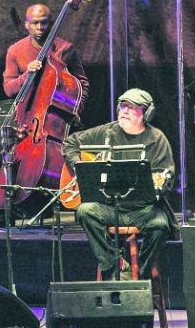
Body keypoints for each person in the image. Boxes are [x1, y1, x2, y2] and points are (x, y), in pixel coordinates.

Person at [0, 3, 90, 229]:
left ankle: (81, 209)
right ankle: (4, 212)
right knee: (6, 153)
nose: (39, 28)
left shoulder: (65, 49)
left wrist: (75, 109)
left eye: (44, 23)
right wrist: (26, 75)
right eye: (35, 23)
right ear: (26, 25)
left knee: (73, 156)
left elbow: (82, 82)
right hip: (28, 121)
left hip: (56, 121)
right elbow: (8, 88)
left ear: (51, 23)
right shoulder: (16, 51)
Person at [62, 88, 177, 280]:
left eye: (131, 108)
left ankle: (141, 276)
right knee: (85, 211)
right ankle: (114, 265)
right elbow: (70, 143)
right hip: (110, 206)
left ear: (146, 113)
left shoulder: (157, 140)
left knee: (159, 225)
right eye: (123, 106)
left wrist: (157, 185)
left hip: (143, 209)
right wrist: (80, 168)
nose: (124, 111)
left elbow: (164, 176)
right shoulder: (108, 132)